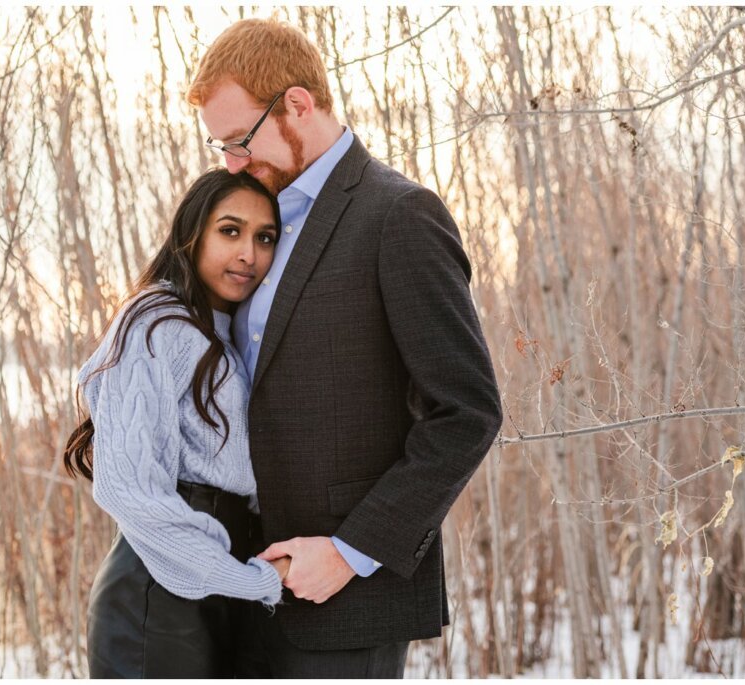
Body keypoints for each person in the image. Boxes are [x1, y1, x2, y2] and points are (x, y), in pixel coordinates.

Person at [185, 18, 504, 678]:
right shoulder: (254, 224)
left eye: (240, 141)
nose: (231, 164)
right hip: (240, 587)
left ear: (298, 104)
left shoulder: (399, 216)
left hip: (341, 602)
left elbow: (467, 413)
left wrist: (350, 550)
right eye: (220, 148)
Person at [64, 169, 290, 678]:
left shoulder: (224, 331)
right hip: (161, 592)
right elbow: (133, 493)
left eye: (265, 238)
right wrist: (252, 581)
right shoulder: (153, 321)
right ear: (193, 232)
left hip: (219, 581)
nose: (248, 254)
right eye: (229, 231)